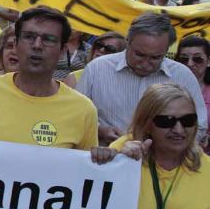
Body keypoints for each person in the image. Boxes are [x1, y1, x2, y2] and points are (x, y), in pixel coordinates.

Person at [0, 6, 98, 150]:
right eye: (29, 37)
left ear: (62, 50)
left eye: (49, 39)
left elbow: (88, 170)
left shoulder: (83, 109)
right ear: (16, 44)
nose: (37, 45)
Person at [77, 12, 208, 146]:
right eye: (139, 54)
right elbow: (77, 115)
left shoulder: (182, 75)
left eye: (155, 57)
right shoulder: (97, 69)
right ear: (128, 41)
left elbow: (200, 124)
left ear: (167, 49)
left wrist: (169, 148)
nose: (145, 63)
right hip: (108, 160)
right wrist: (98, 130)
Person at [176, 36, 210, 127]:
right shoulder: (166, 87)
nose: (190, 64)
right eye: (184, 59)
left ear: (208, 60)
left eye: (197, 58)